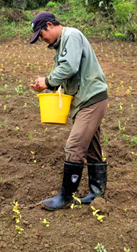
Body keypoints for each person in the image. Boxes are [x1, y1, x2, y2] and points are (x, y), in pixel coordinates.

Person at [29, 12, 109, 210]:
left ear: (49, 25)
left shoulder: (71, 35)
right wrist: (50, 86)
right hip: (86, 100)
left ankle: (66, 196)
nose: (42, 40)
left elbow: (69, 67)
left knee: (74, 146)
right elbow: (69, 74)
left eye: (41, 34)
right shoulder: (63, 43)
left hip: (90, 99)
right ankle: (96, 193)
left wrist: (47, 81)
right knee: (91, 147)